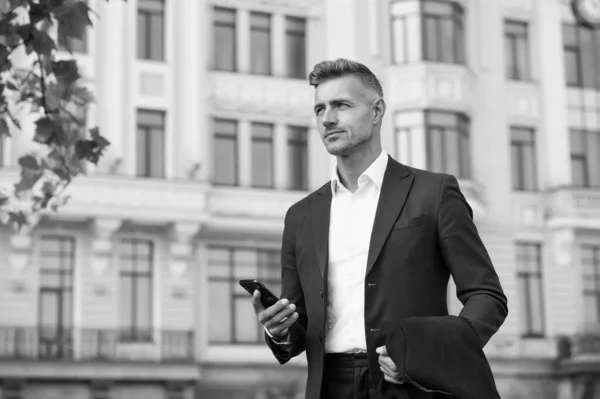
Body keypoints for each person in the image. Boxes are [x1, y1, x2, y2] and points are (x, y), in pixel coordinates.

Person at [250, 59, 508, 399]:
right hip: (329, 387)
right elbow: (299, 332)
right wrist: (279, 330)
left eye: (341, 105)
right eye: (319, 109)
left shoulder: (434, 193)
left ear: (377, 111)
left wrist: (429, 355)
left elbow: (487, 297)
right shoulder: (300, 216)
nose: (327, 118)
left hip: (412, 386)